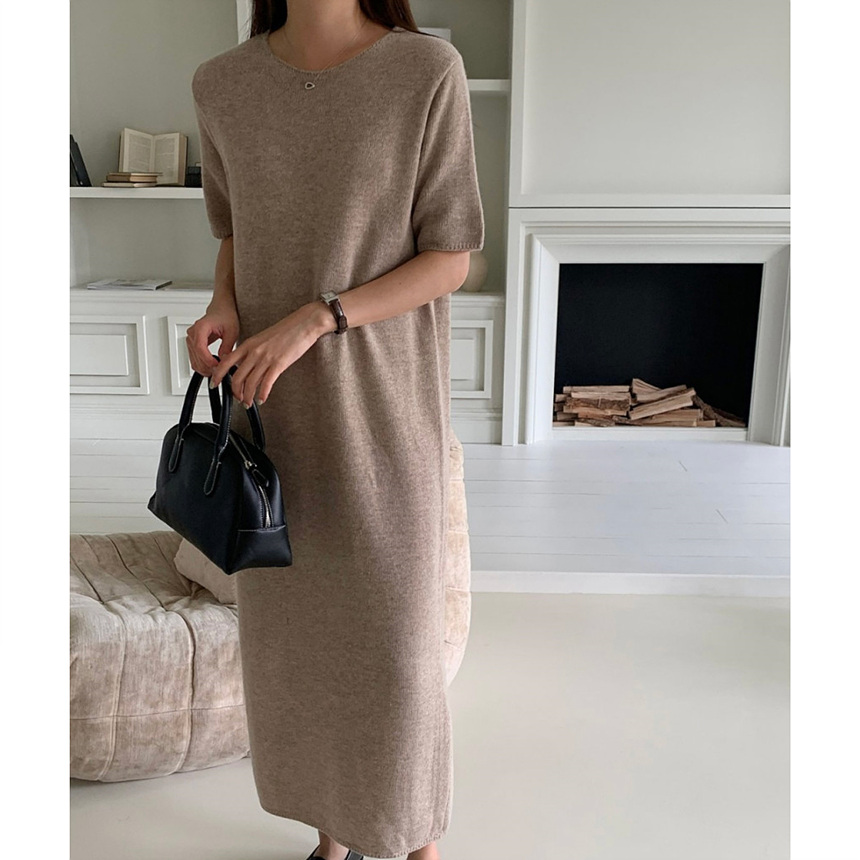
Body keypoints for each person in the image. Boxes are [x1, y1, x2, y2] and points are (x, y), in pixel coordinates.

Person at [186, 1, 484, 858]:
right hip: (267, 407)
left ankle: (415, 840)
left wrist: (321, 317)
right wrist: (223, 304)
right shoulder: (222, 84)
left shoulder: (425, 71)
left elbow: (451, 256)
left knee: (393, 641)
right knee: (301, 646)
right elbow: (237, 229)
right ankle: (335, 833)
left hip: (380, 405)